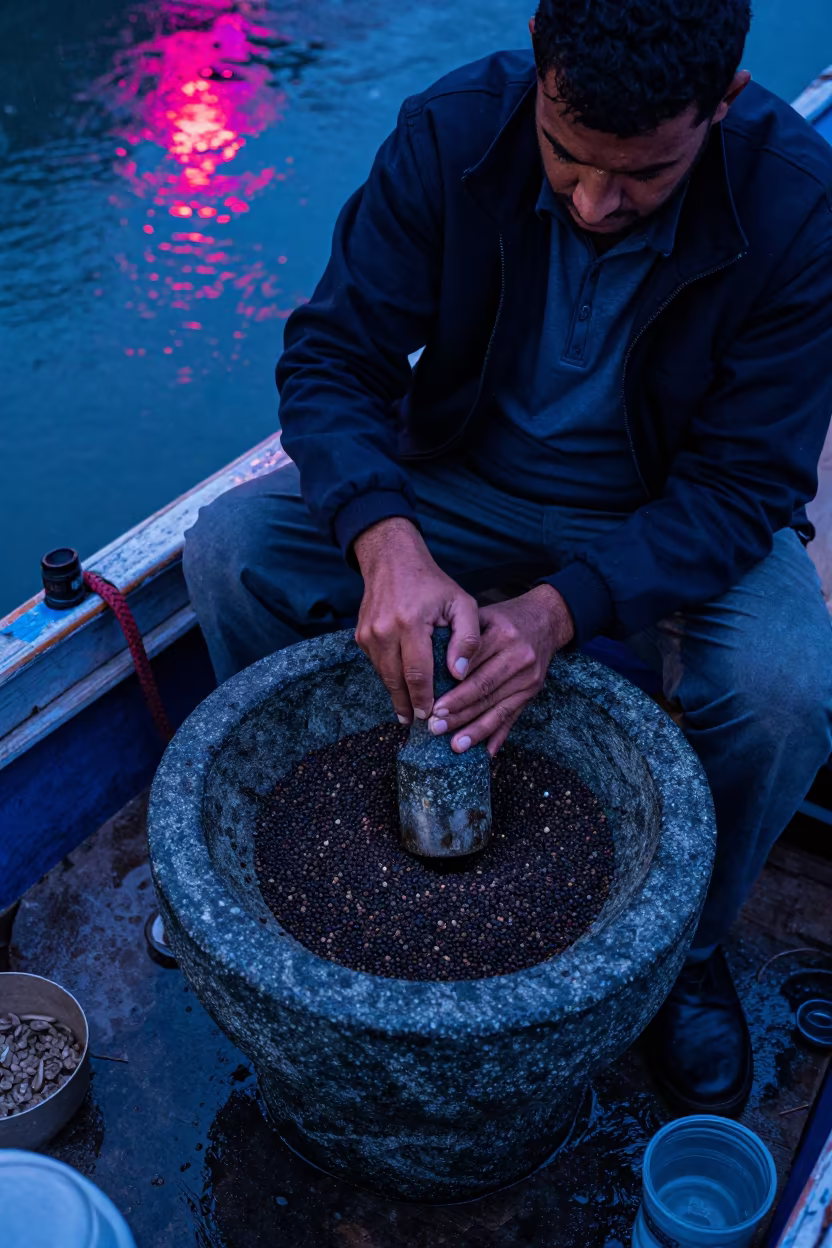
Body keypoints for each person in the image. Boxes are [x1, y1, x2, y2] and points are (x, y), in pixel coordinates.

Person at [184, 0, 832, 1118]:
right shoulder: (449, 132)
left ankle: (684, 947)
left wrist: (559, 611)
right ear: (536, 75)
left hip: (658, 513)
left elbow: (744, 488)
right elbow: (334, 360)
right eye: (567, 157)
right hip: (456, 479)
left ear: (719, 106)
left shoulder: (800, 205)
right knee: (232, 552)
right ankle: (340, 800)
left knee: (784, 692)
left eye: (641, 177)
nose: (593, 204)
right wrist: (386, 538)